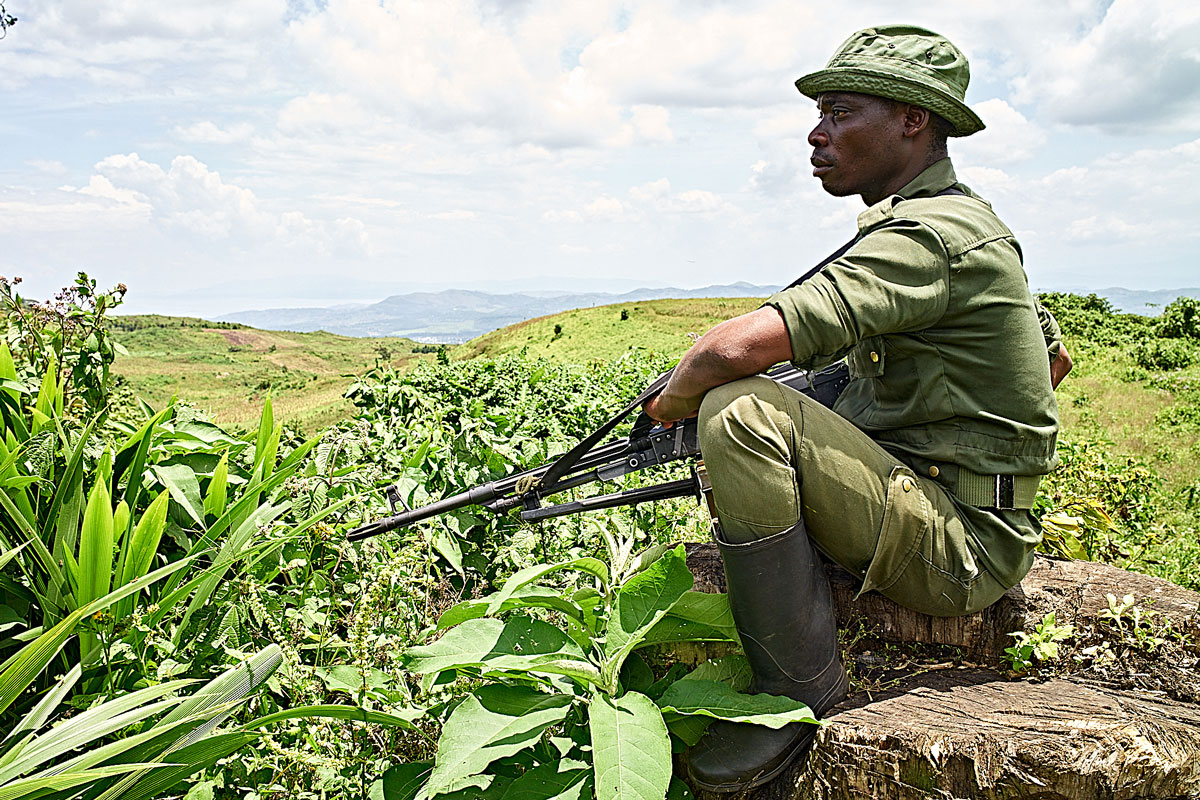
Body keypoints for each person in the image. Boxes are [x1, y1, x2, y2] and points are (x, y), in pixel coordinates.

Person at [643, 24, 1073, 793]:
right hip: (961, 507)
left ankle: (797, 697)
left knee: (741, 411)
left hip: (961, 548)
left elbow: (729, 353)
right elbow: (1053, 360)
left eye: (840, 112)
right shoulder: (966, 220)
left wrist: (670, 404)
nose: (816, 133)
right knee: (815, 386)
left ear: (914, 120)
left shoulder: (928, 238)